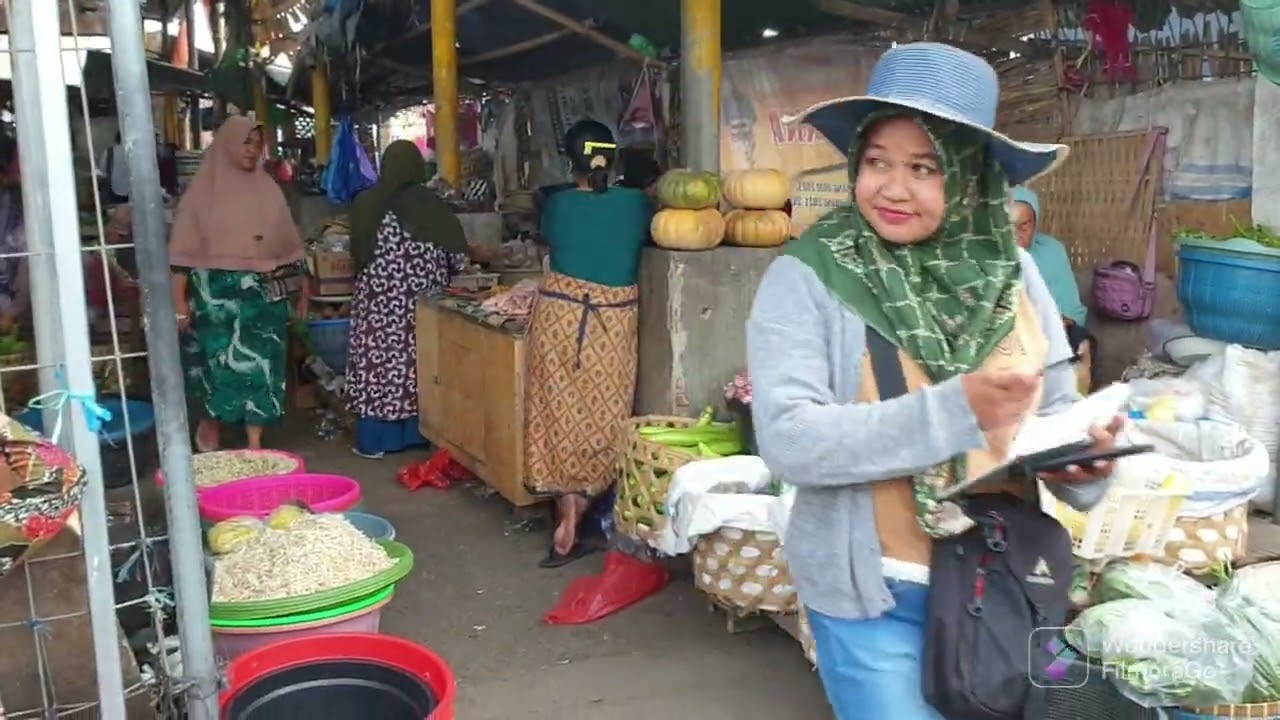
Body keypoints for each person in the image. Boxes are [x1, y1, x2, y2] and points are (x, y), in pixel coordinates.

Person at [745, 43, 1121, 719]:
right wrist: (958, 410)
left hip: (999, 582)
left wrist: (1083, 464)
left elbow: (1053, 413)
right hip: (873, 596)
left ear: (971, 176)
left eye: (924, 168)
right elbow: (789, 439)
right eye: (877, 162)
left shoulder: (1015, 275)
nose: (892, 188)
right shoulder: (809, 277)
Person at [525, 120, 653, 568]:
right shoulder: (638, 204)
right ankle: (587, 506)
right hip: (611, 323)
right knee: (605, 414)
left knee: (557, 413)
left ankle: (565, 509)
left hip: (559, 318)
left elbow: (555, 234)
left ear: (569, 160)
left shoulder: (556, 205)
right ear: (613, 157)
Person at [170, 115, 309, 451]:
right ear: (228, 143)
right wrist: (179, 306)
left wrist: (302, 293)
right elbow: (181, 259)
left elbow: (291, 247)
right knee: (215, 367)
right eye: (246, 142)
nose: (252, 150)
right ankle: (210, 424)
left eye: (257, 143)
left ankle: (254, 444)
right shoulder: (201, 195)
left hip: (264, 301)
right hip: (216, 301)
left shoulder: (269, 190)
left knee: (263, 368)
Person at [345, 140, 469, 458]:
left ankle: (375, 441)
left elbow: (355, 257)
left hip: (377, 311)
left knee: (378, 370)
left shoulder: (365, 204)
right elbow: (459, 260)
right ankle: (416, 436)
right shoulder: (431, 206)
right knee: (419, 368)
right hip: (422, 310)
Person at [1011, 185, 1096, 392]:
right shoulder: (986, 256)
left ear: (1036, 223)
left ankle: (1073, 408)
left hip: (1051, 327)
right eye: (1009, 226)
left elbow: (1071, 305)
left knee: (1081, 345)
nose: (1016, 234)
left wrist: (1063, 320)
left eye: (1024, 226)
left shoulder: (1052, 251)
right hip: (1007, 332)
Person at [97, 132, 130, 204]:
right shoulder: (135, 152)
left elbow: (102, 171)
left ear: (117, 139)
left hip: (114, 190)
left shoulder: (109, 152)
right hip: (134, 191)